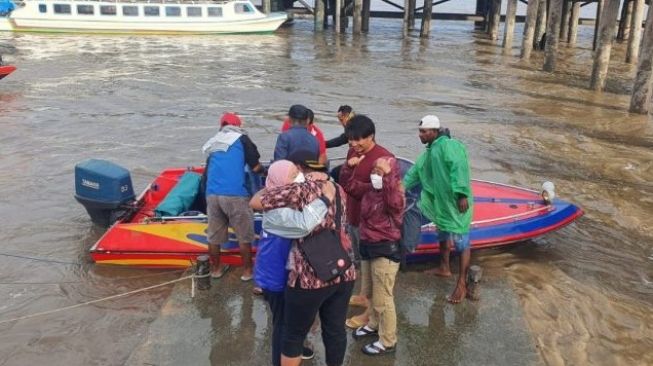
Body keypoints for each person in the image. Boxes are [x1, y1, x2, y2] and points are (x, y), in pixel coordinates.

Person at [253, 149, 357, 366]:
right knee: (336, 330)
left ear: (300, 167)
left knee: (292, 334)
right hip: (342, 269)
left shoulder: (298, 190)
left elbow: (259, 201)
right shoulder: (337, 187)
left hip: (309, 277)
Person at [403, 115, 474, 303]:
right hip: (440, 204)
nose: (420, 135)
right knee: (442, 233)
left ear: (434, 131)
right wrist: (397, 189)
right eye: (419, 131)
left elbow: (459, 167)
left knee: (461, 241)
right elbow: (413, 175)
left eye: (424, 131)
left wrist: (461, 194)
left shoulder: (449, 146)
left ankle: (462, 284)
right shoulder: (427, 153)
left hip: (456, 202)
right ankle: (444, 268)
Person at [338, 114, 394, 327]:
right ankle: (363, 295)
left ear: (371, 136)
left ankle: (370, 315)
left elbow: (383, 196)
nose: (354, 144)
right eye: (351, 139)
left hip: (373, 224)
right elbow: (344, 182)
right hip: (353, 216)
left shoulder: (384, 159)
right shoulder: (354, 152)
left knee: (373, 268)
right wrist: (348, 168)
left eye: (359, 139)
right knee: (361, 261)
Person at [347, 157, 405, 356]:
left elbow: (394, 204)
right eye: (374, 171)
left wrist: (387, 177)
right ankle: (373, 323)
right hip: (368, 247)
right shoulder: (370, 190)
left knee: (384, 299)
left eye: (381, 172)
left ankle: (388, 340)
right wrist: (349, 167)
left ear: (391, 174)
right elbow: (350, 186)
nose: (375, 175)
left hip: (385, 250)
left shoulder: (395, 193)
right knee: (369, 292)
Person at [202, 112, 264, 281]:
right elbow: (256, 166)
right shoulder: (242, 138)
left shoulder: (214, 141)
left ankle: (215, 270)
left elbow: (206, 173)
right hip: (235, 195)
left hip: (212, 194)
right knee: (244, 236)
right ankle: (247, 272)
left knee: (214, 237)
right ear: (238, 125)